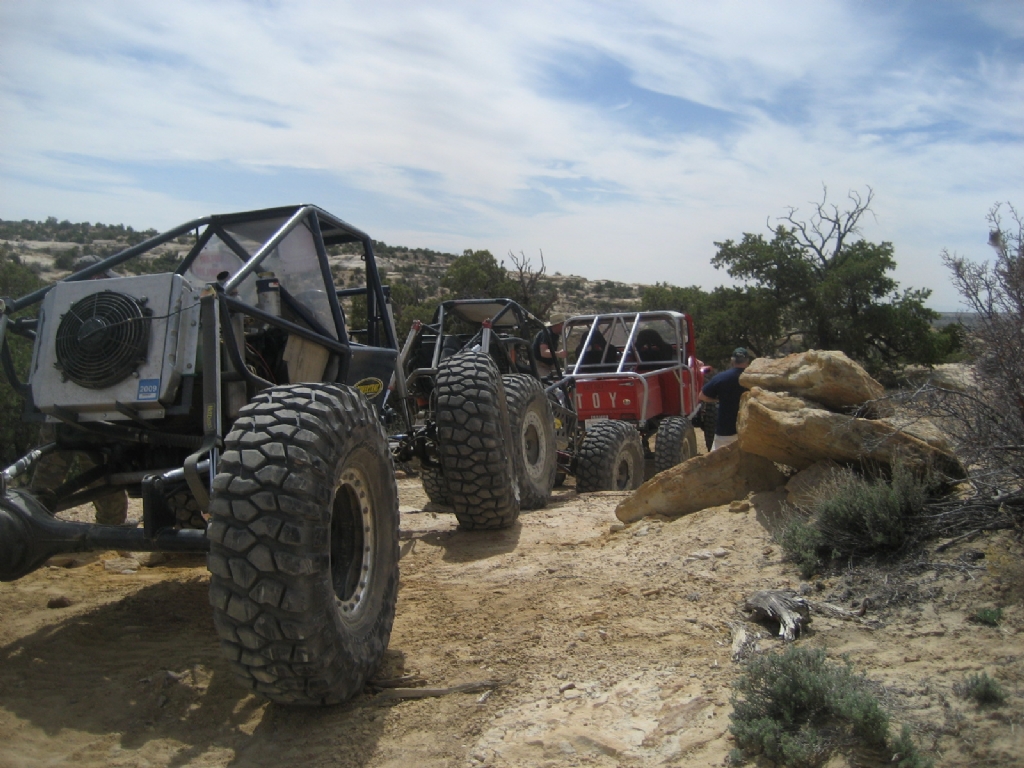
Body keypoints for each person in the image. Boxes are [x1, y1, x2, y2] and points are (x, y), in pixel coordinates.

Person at [698, 347, 752, 451]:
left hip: (726, 430)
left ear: (732, 360)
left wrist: (717, 400)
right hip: (749, 429)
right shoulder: (754, 379)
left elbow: (702, 396)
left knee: (716, 462)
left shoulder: (722, 377)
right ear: (747, 361)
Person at [532, 312, 569, 378]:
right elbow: (544, 352)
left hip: (550, 365)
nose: (565, 327)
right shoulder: (546, 334)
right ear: (558, 325)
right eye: (563, 324)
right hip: (541, 365)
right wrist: (558, 354)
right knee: (547, 384)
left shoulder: (556, 335)